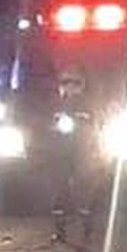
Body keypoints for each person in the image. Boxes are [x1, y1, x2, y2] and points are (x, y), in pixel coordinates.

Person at [49, 71, 101, 243]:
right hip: (62, 155)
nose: (69, 87)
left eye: (73, 83)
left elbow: (94, 125)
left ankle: (87, 230)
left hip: (82, 154)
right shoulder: (56, 104)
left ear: (81, 86)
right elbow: (47, 126)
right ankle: (60, 232)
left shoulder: (88, 104)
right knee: (60, 193)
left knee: (84, 191)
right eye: (65, 83)